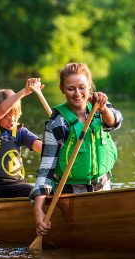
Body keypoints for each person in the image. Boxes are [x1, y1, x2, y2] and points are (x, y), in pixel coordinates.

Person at [30, 62, 122, 236]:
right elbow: (46, 169)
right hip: (71, 192)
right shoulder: (57, 123)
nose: (78, 93)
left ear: (89, 86)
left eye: (82, 87)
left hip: (103, 186)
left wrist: (102, 109)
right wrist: (38, 209)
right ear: (62, 89)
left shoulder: (99, 107)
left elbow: (115, 122)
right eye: (71, 89)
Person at [0, 78, 44, 199]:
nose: (12, 120)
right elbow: (2, 110)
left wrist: (57, 148)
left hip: (14, 184)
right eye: (7, 117)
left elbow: (40, 147)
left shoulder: (21, 132)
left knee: (34, 192)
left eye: (15, 115)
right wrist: (23, 92)